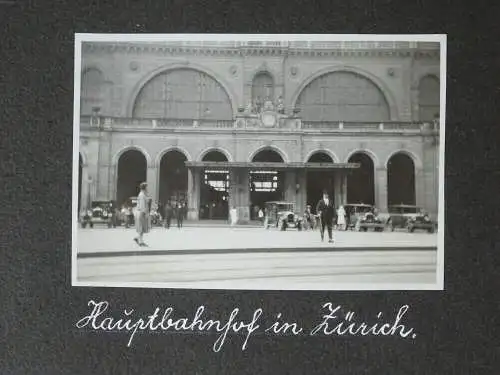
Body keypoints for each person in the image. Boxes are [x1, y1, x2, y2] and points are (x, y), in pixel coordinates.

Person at [133, 182, 149, 247]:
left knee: (141, 227)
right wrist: (144, 213)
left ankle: (138, 239)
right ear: (144, 188)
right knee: (141, 227)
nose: (148, 189)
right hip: (141, 213)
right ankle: (140, 242)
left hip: (141, 212)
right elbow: (142, 206)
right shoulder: (142, 195)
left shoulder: (143, 194)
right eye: (147, 187)